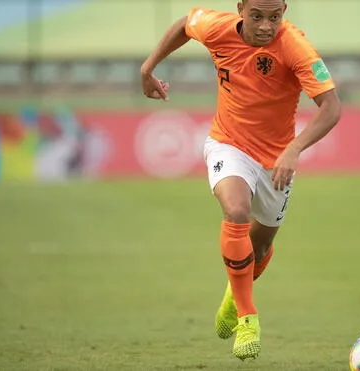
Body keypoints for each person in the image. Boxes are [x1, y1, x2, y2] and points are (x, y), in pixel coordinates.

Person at [140, 0, 341, 361]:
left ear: (284, 11)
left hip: (276, 159)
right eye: (257, 16)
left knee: (260, 248)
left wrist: (294, 149)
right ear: (241, 9)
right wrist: (148, 68)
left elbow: (332, 107)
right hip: (228, 144)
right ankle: (248, 317)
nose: (266, 26)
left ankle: (234, 297)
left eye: (275, 17)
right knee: (235, 211)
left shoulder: (295, 47)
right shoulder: (217, 28)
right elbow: (186, 23)